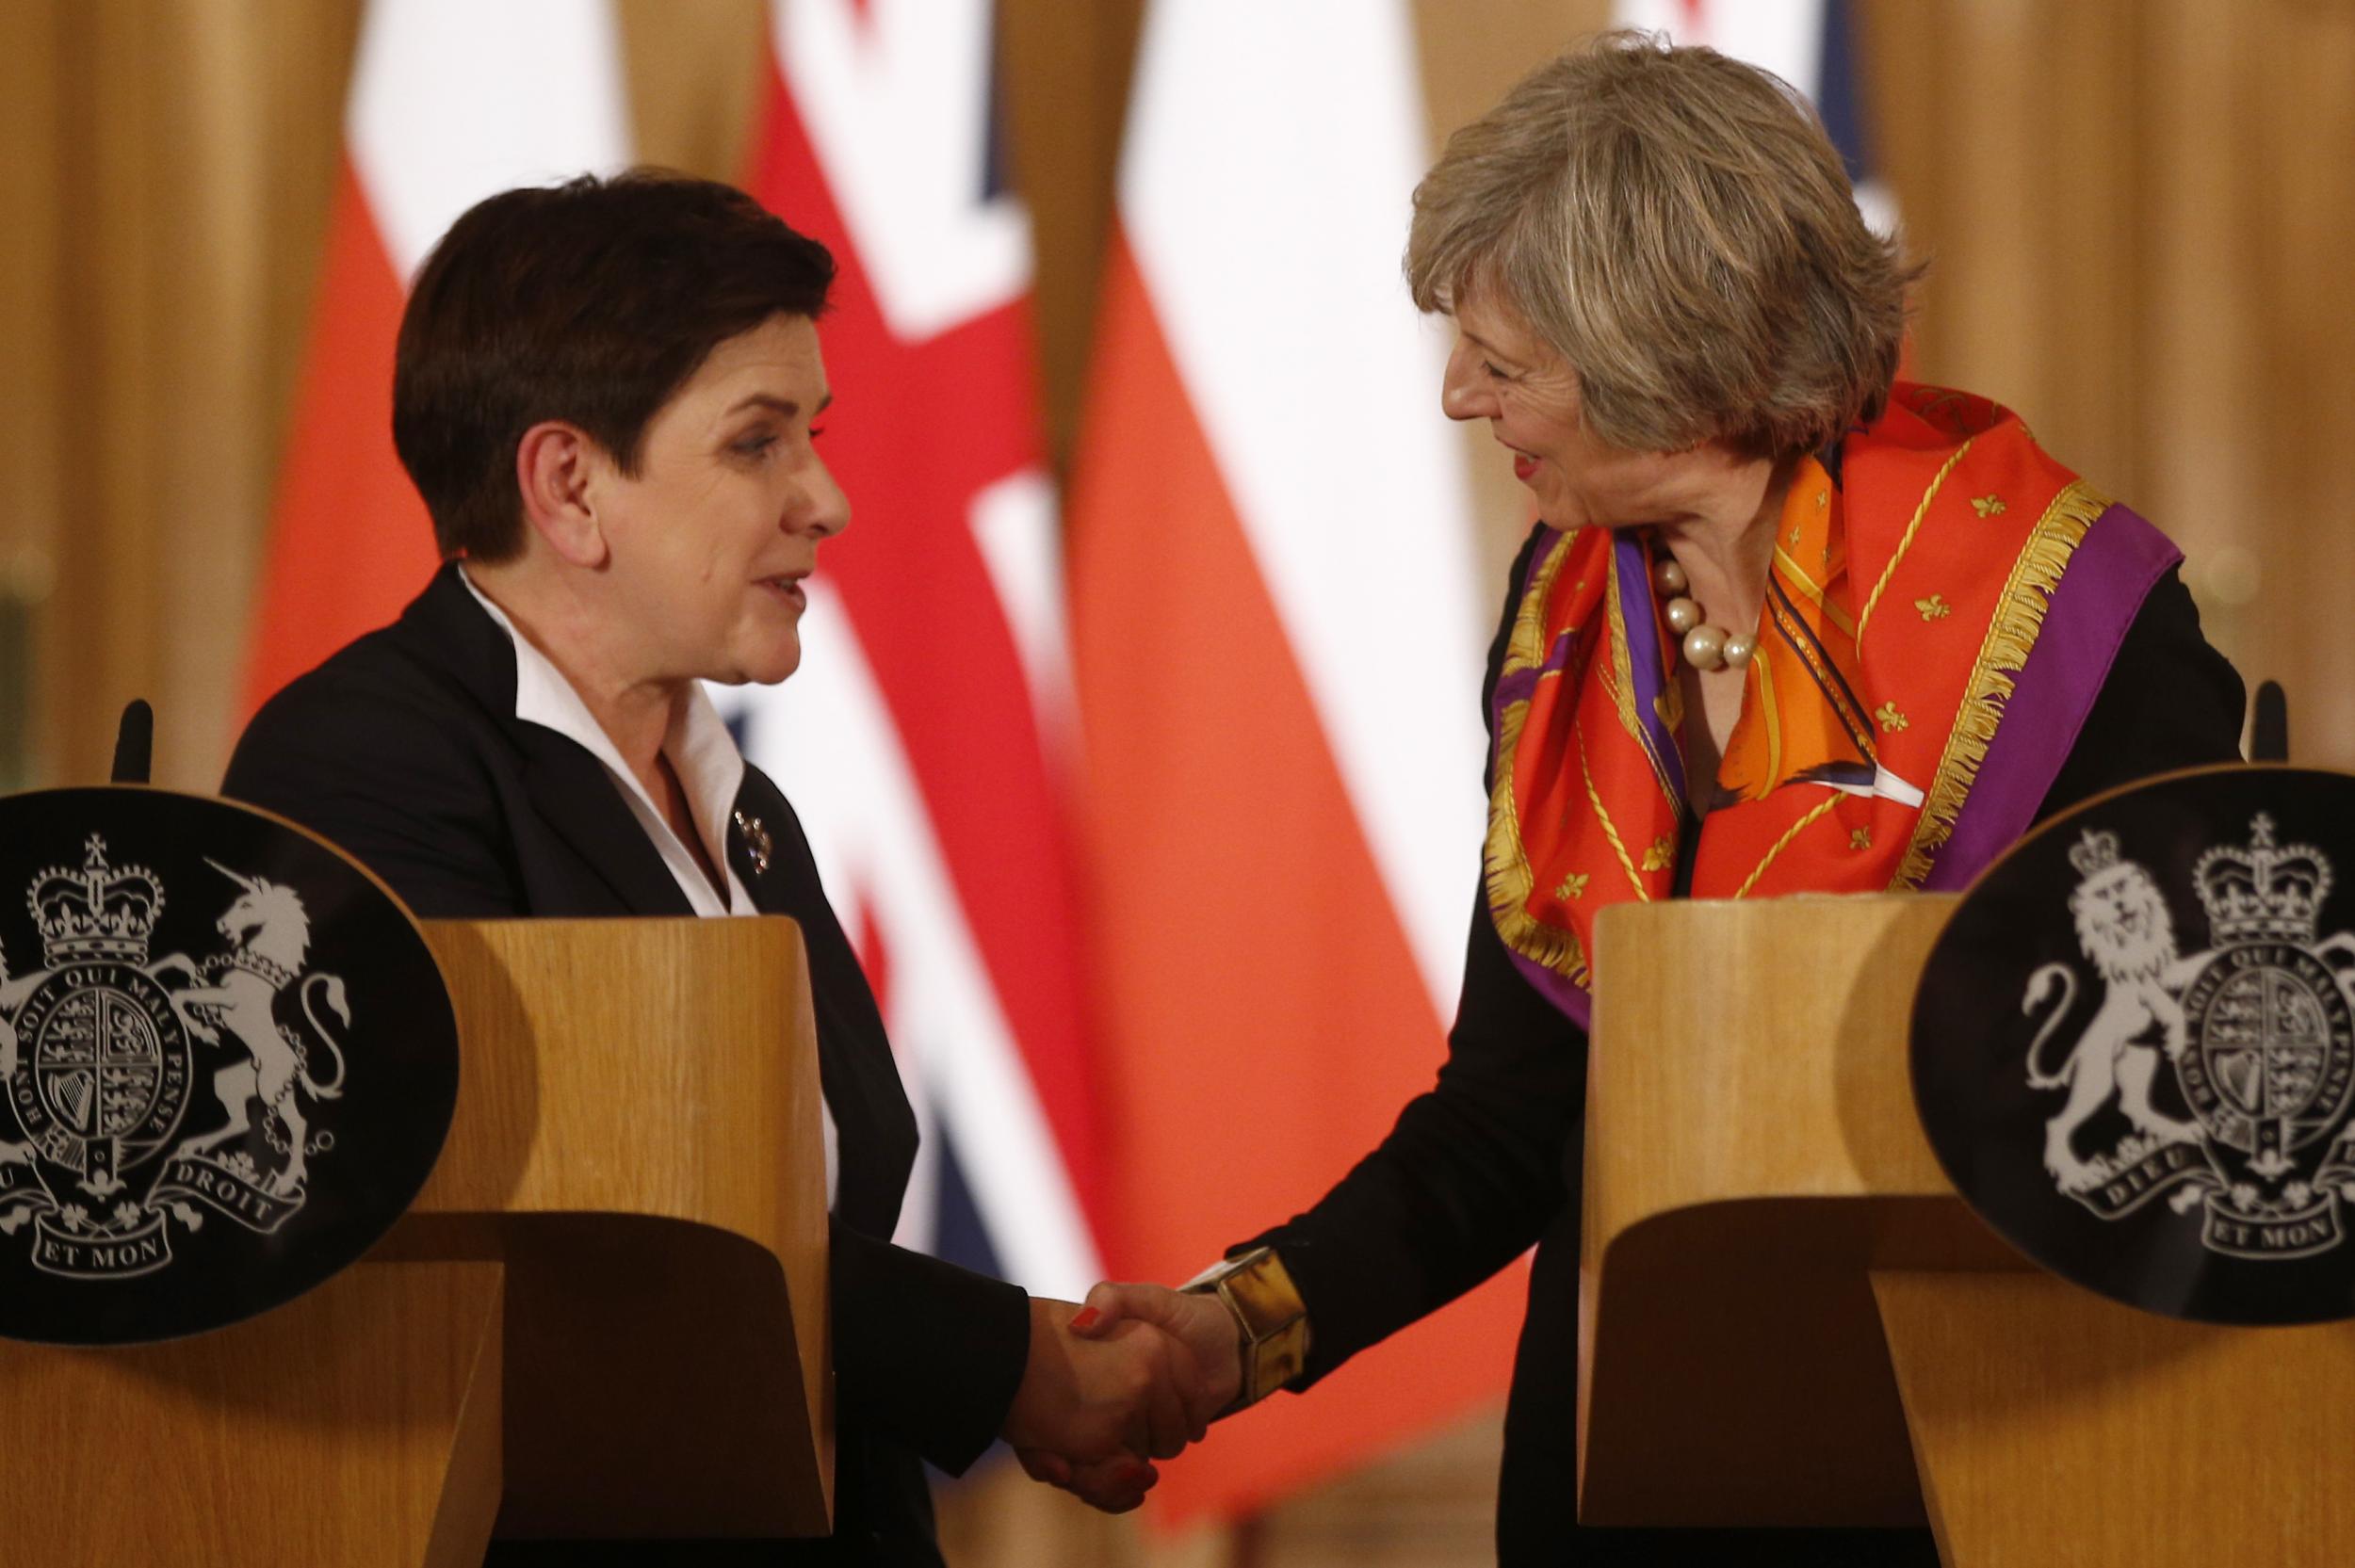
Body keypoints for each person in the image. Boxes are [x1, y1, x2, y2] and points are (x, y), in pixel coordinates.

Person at [1065, 32, 2248, 1566]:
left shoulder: (2064, 616)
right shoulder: (1567, 617)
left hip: (1970, 1477)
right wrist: (1240, 1328)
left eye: (1504, 361)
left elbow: (2188, 1126)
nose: (1454, 399)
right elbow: (1510, 1119)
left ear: (1670, 351)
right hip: (1615, 1480)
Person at [223, 172, 1206, 1565]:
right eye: (759, 443)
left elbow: (789, 1241)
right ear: (568, 484)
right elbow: (582, 1227)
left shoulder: (741, 802)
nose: (830, 499)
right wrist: (1005, 1361)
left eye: (815, 435)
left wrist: (1007, 1365)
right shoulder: (365, 762)